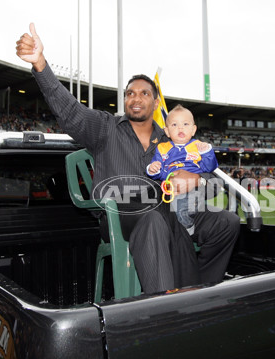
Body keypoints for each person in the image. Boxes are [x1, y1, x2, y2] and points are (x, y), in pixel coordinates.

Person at [16, 23, 240, 294]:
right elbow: (70, 111)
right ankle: (164, 307)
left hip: (169, 209)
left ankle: (203, 290)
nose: (136, 98)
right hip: (120, 213)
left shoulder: (170, 139)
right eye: (130, 93)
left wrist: (196, 180)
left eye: (145, 93)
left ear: (156, 103)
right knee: (156, 217)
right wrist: (40, 65)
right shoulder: (105, 126)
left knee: (226, 221)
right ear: (124, 100)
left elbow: (204, 171)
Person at [147, 105, 218, 235]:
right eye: (174, 125)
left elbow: (209, 167)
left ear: (193, 129)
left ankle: (187, 229)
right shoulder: (162, 148)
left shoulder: (198, 146)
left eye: (185, 124)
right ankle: (183, 228)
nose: (180, 128)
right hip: (172, 189)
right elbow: (160, 172)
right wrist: (153, 169)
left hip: (194, 188)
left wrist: (207, 152)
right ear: (167, 131)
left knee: (182, 207)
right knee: (174, 208)